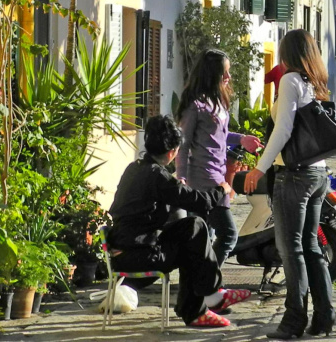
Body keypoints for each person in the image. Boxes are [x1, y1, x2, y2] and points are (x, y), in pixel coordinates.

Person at [108, 115, 251, 327]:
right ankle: (206, 299)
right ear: (172, 151)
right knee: (193, 236)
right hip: (139, 257)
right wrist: (222, 189)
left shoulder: (134, 168)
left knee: (192, 228)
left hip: (125, 249)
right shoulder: (157, 176)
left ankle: (201, 304)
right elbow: (197, 202)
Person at [244, 29, 335, 339]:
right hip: (318, 173)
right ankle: (324, 316)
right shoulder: (315, 83)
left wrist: (259, 168)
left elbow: (281, 131)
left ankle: (294, 320)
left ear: (287, 54)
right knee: (310, 246)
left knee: (290, 249)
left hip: (293, 175)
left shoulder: (290, 81)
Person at [175, 49, 262, 267]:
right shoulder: (196, 106)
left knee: (205, 236)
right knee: (228, 235)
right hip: (204, 179)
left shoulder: (217, 104)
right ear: (212, 74)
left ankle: (199, 282)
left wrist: (241, 139)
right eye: (225, 72)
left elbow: (218, 136)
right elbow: (183, 144)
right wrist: (182, 176)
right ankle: (207, 280)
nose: (228, 77)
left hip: (218, 174)